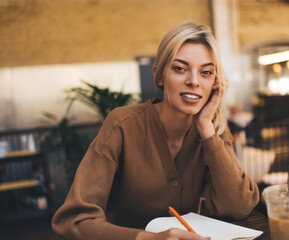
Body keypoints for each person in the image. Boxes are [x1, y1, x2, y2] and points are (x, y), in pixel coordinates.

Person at [51, 21, 259, 240]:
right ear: (160, 76)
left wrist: (207, 129)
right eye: (180, 68)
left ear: (216, 84)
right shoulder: (121, 124)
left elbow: (240, 206)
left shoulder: (212, 130)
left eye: (206, 72)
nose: (194, 81)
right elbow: (73, 221)